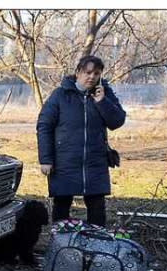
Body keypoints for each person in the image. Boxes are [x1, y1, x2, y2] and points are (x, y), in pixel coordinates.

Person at [37, 55, 127, 227]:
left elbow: (117, 121)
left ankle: (96, 244)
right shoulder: (60, 95)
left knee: (97, 208)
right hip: (65, 162)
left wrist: (102, 102)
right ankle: (61, 245)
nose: (92, 76)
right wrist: (46, 159)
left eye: (96, 73)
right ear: (78, 72)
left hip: (95, 163)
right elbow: (44, 126)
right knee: (62, 206)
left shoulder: (104, 94)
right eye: (88, 72)